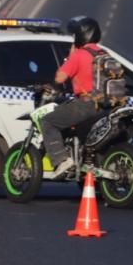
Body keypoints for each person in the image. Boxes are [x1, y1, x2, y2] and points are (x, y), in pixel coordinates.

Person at [41, 16, 105, 177]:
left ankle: (62, 160)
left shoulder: (80, 55)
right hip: (107, 105)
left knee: (48, 121)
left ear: (80, 36)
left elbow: (60, 78)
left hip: (87, 104)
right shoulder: (104, 53)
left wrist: (71, 55)